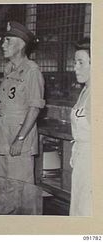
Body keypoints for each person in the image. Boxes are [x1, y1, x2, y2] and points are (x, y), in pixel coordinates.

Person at [0, 21, 45, 184]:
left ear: (21, 45)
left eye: (8, 41)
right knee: (6, 186)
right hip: (4, 136)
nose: (2, 44)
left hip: (19, 139)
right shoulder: (9, 69)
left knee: (21, 188)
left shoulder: (32, 71)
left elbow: (34, 109)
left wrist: (20, 139)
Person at [69, 37, 92, 216]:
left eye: (81, 62)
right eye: (75, 62)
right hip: (81, 161)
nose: (75, 67)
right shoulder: (85, 90)